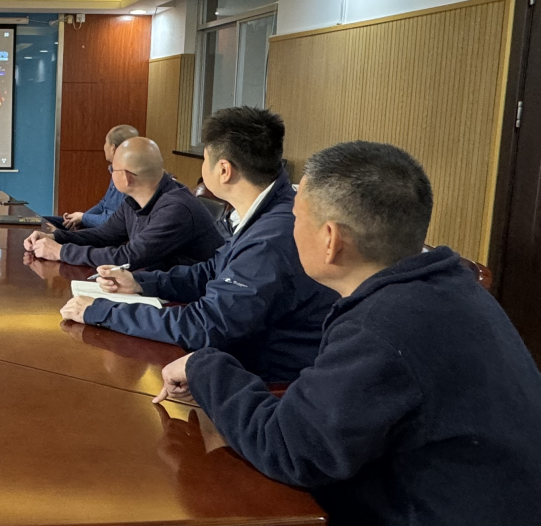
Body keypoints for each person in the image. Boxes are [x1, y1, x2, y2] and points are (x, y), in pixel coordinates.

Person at [60, 141, 541, 526]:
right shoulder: (440, 287)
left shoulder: (385, 327)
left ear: (330, 239)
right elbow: (329, 417)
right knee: (237, 520)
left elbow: (292, 451)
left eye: (296, 218)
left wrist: (208, 367)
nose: (288, 229)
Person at [60, 106, 335, 385]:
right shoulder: (267, 211)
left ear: (224, 170)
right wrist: (140, 282)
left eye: (205, 159)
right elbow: (210, 272)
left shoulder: (272, 235)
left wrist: (100, 311)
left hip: (266, 383)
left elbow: (205, 325)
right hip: (237, 361)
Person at [25, 138, 222, 271]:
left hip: (190, 301)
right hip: (156, 284)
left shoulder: (176, 209)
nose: (110, 173)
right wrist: (55, 237)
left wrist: (60, 251)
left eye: (112, 169)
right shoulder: (134, 199)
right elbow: (103, 236)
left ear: (126, 177)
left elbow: (128, 257)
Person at [55, 124, 140, 229]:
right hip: (99, 225)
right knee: (47, 221)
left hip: (107, 231)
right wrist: (80, 219)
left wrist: (83, 218)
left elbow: (114, 222)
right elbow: (103, 205)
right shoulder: (116, 170)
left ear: (113, 148)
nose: (104, 146)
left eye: (105, 142)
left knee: (53, 234)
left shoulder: (128, 178)